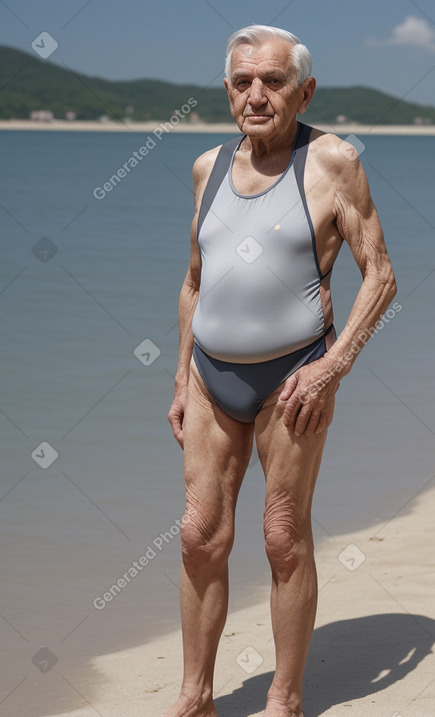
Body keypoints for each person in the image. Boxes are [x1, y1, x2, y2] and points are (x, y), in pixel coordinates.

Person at [166, 24, 397, 717]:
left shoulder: (331, 161)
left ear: (305, 90)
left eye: (273, 81)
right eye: (243, 82)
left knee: (281, 535)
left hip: (295, 377)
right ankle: (195, 695)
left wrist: (333, 366)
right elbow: (193, 282)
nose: (257, 95)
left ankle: (284, 698)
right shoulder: (207, 167)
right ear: (228, 90)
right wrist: (181, 378)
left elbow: (379, 275)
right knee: (198, 534)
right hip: (211, 376)